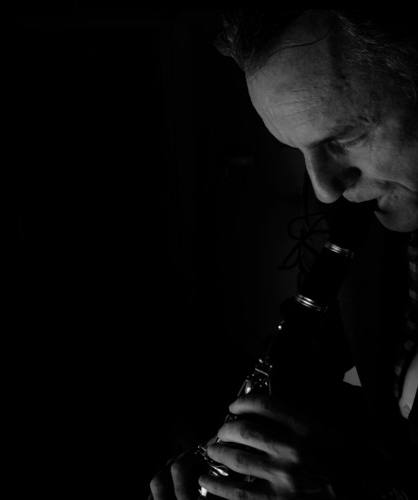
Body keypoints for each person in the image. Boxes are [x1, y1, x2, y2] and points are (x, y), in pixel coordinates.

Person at [149, 9, 418, 500]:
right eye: (298, 150)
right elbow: (325, 389)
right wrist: (239, 459)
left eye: (345, 137)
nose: (326, 190)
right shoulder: (372, 239)